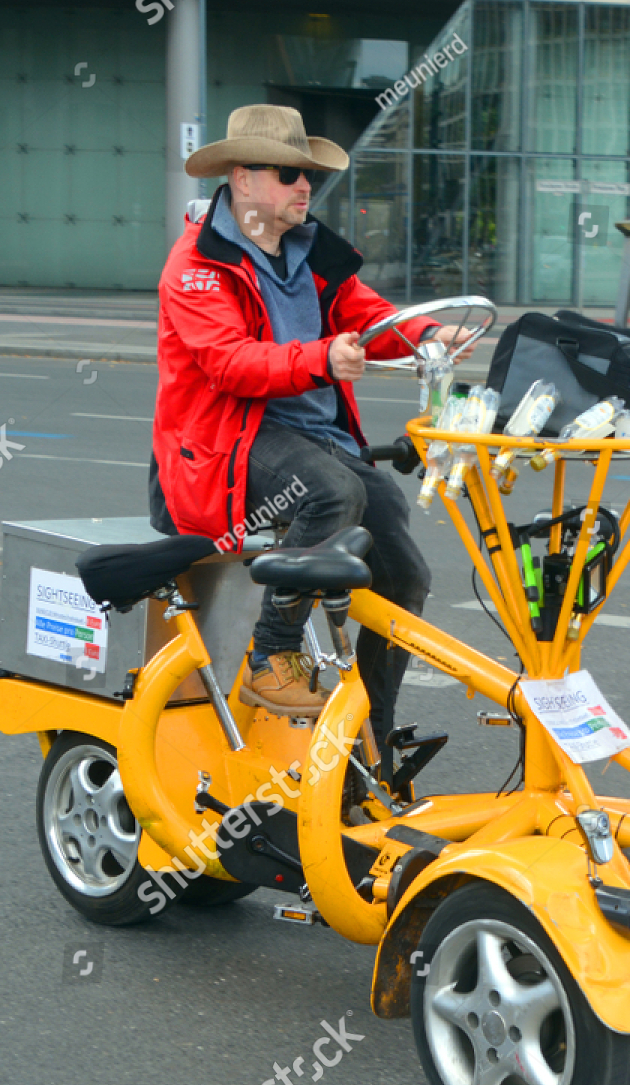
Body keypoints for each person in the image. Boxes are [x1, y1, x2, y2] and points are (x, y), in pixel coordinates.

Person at [149, 104, 468, 773]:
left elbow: (369, 314)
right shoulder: (197, 266)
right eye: (291, 174)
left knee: (404, 571)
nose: (305, 188)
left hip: (308, 433)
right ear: (242, 178)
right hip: (227, 443)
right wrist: (319, 359)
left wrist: (426, 336)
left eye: (309, 176)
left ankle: (371, 737)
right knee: (330, 493)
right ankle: (272, 655)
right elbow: (228, 363)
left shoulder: (308, 250)